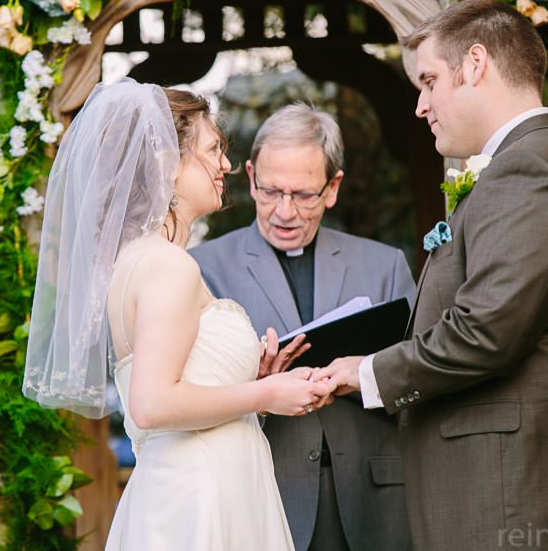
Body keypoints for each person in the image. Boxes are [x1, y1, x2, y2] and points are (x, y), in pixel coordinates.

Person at [313, 0, 548, 551]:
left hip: (521, 500)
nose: (420, 105)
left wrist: (367, 373)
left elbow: (484, 332)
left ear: (476, 63)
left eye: (429, 81)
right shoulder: (530, 161)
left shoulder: (528, 169)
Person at [23, 79, 331, 550]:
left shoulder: (139, 259)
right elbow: (152, 405)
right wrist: (266, 393)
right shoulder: (168, 266)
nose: (225, 165)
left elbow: (175, 378)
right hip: (200, 495)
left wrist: (249, 376)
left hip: (193, 482)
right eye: (213, 150)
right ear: (167, 163)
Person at [191, 104, 415, 551]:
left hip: (373, 498)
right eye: (271, 191)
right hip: (262, 492)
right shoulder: (201, 269)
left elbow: (418, 376)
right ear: (250, 177)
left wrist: (364, 376)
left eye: (304, 195)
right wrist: (255, 383)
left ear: (332, 188)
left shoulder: (384, 264)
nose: (285, 211)